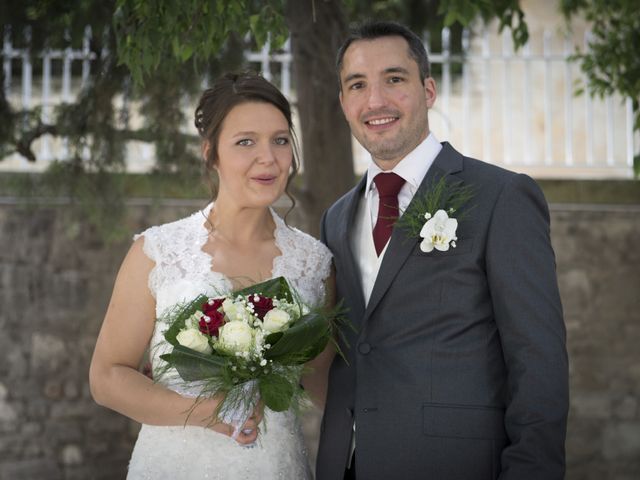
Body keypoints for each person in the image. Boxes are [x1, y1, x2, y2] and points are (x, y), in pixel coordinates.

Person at [316, 21, 569, 480]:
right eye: (358, 85)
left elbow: (538, 360)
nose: (375, 101)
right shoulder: (336, 218)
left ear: (428, 90)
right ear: (343, 103)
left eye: (394, 79)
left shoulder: (501, 197)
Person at [89, 72, 333, 479]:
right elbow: (107, 376)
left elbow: (327, 385)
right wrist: (206, 412)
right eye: (245, 142)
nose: (268, 158)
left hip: (277, 466)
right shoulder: (158, 252)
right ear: (210, 153)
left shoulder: (315, 264)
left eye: (280, 140)